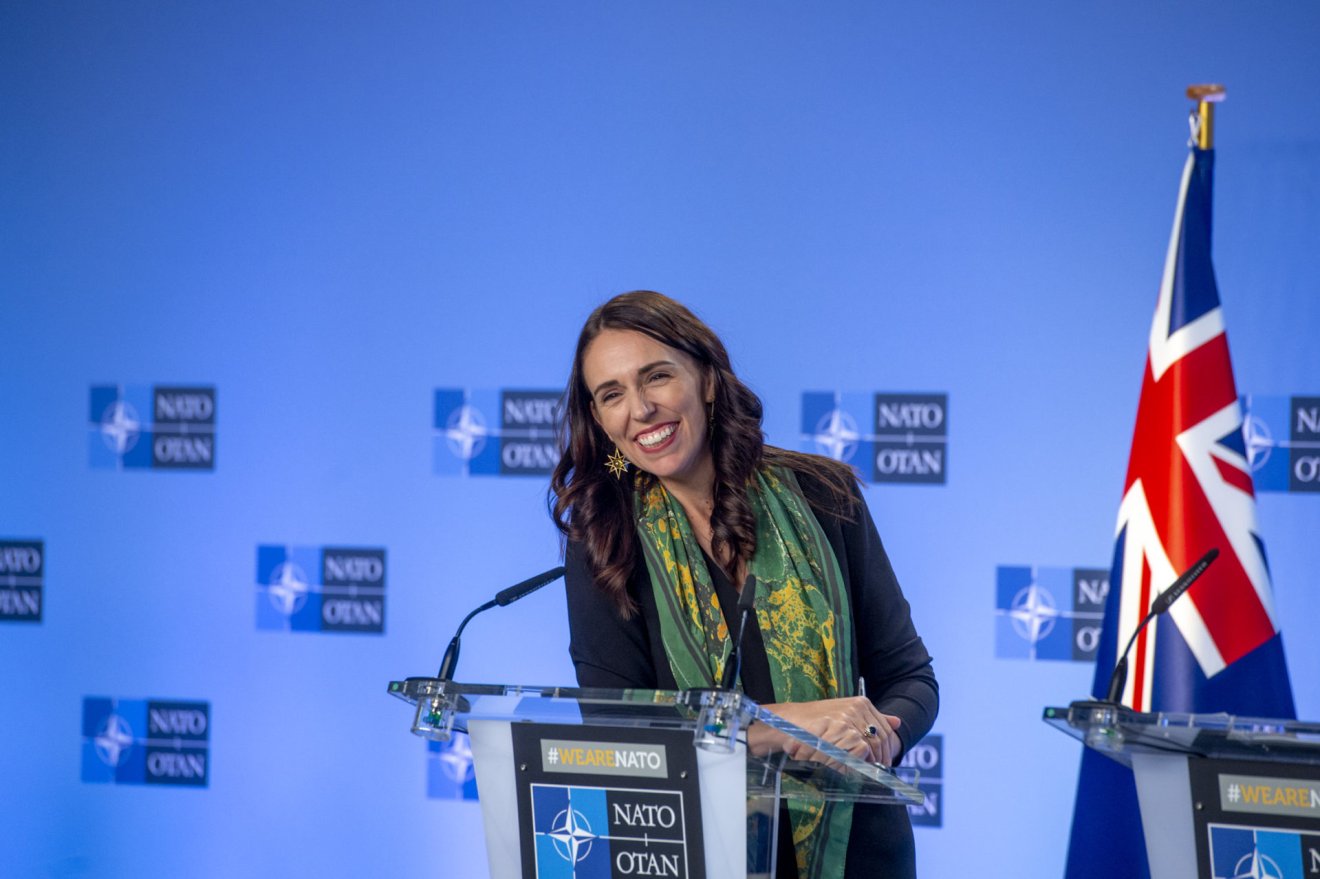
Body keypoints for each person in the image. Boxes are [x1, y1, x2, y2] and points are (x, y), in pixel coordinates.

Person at [550, 291, 938, 879]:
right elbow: (620, 730)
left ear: (707, 379)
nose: (641, 409)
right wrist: (787, 728)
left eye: (657, 377)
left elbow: (910, 677)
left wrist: (881, 733)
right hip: (698, 851)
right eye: (612, 394)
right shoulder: (605, 541)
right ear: (600, 421)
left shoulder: (823, 495)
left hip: (860, 851)